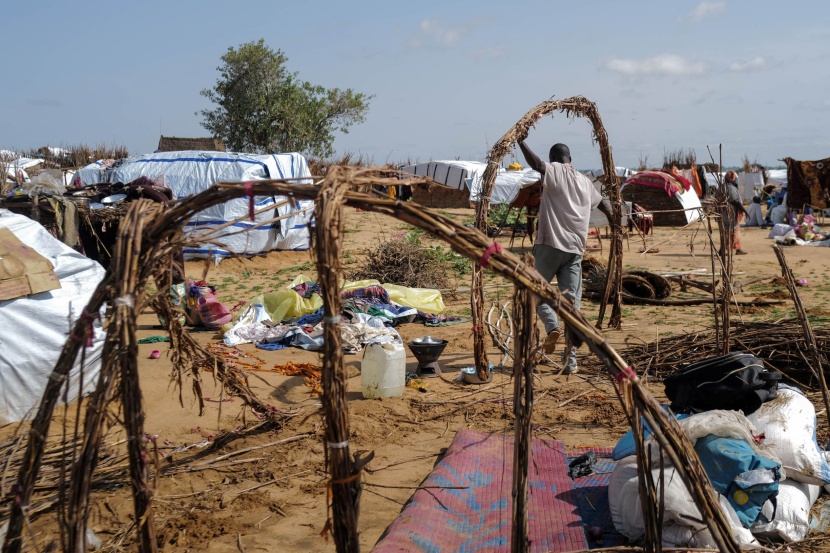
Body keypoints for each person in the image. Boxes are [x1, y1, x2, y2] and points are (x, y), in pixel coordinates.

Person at [518, 140, 613, 374]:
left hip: (550, 245)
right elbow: (605, 205)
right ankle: (570, 363)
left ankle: (552, 327)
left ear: (554, 159)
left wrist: (521, 142)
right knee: (572, 307)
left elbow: (536, 164)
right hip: (575, 251)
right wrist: (614, 224)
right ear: (570, 159)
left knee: (533, 290)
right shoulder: (584, 181)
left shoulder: (555, 171)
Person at [722, 170, 750, 255]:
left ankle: (724, 249)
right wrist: (745, 211)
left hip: (723, 213)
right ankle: (736, 249)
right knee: (733, 231)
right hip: (730, 213)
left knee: (725, 231)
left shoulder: (722, 187)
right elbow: (735, 201)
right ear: (732, 178)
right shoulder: (730, 188)